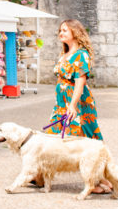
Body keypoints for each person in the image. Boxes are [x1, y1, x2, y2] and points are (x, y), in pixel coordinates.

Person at [43, 19, 111, 194]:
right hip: (62, 104)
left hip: (77, 103)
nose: (61, 33)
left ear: (75, 32)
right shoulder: (64, 54)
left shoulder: (81, 55)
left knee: (82, 140)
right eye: (60, 30)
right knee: (53, 138)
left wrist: (72, 106)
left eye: (65, 30)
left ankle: (98, 180)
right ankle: (41, 175)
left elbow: (80, 82)